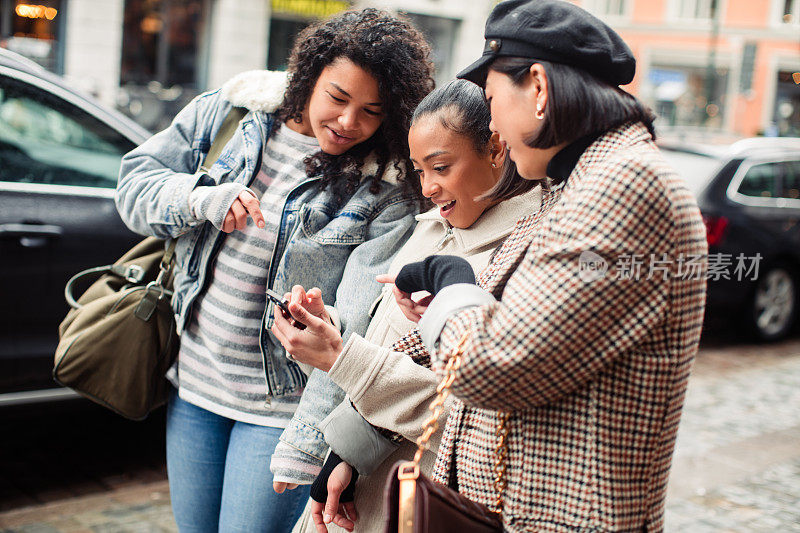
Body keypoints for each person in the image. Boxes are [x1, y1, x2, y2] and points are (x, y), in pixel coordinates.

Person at [382, 1, 709, 531]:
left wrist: (448, 282)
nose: (490, 123)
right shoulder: (574, 185)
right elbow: (511, 321)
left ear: (537, 88)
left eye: (491, 100)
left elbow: (492, 365)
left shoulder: (625, 184)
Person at [114, 9, 434, 532]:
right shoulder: (232, 114)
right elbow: (132, 191)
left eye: (372, 110)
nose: (349, 121)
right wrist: (201, 199)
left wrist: (308, 441)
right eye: (337, 97)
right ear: (309, 77)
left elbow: (353, 321)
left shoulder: (386, 186)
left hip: (279, 409)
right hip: (194, 386)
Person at [269, 79, 543, 532]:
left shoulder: (526, 251)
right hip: (359, 482)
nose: (429, 188)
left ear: (495, 148)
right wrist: (327, 325)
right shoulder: (432, 227)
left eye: (440, 167)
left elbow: (469, 403)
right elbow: (393, 344)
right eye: (419, 171)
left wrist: (340, 357)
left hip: (426, 497)